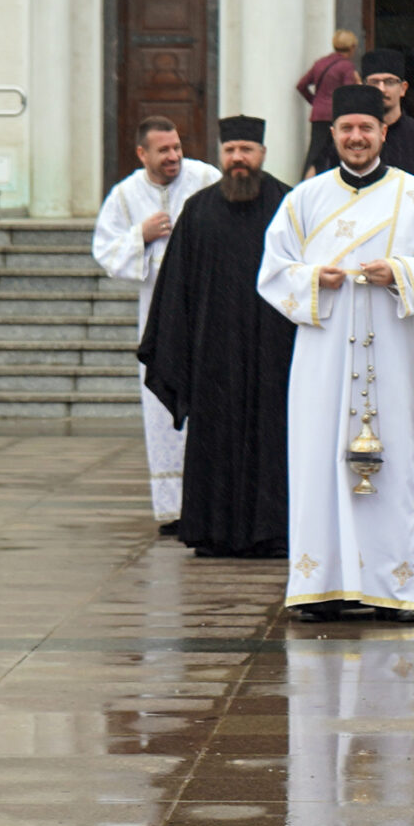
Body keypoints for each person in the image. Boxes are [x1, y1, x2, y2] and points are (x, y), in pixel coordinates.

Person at [259, 85, 414, 623]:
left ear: (383, 132)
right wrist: (312, 279)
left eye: (365, 128)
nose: (356, 137)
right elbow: (272, 272)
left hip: (394, 354)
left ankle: (390, 588)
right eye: (347, 128)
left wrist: (400, 272)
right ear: (332, 134)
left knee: (395, 466)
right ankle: (322, 586)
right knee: (319, 463)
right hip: (323, 355)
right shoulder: (303, 200)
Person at [138, 117, 295, 558]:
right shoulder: (199, 210)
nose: (238, 158)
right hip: (213, 355)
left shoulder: (289, 206)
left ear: (262, 154)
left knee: (273, 439)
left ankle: (274, 532)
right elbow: (176, 289)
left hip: (274, 354)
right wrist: (177, 349)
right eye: (230, 151)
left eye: (247, 150)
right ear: (221, 154)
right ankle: (211, 531)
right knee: (214, 440)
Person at [94, 119, 221, 528]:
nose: (173, 156)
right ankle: (172, 508)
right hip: (159, 313)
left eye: (177, 147)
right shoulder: (126, 194)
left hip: (207, 308)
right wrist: (141, 236)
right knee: (161, 404)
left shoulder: (205, 179)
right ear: (141, 154)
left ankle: (211, 502)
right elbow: (105, 249)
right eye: (163, 150)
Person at [309, 49, 414, 185]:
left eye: (389, 82)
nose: (381, 89)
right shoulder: (346, 141)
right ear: (363, 86)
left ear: (403, 88)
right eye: (374, 82)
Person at [298, 31, 362, 178]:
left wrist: (315, 102)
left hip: (318, 115)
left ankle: (304, 182)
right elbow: (348, 92)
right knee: (338, 150)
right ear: (352, 47)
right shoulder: (346, 66)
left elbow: (301, 85)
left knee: (315, 152)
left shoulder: (320, 63)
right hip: (336, 115)